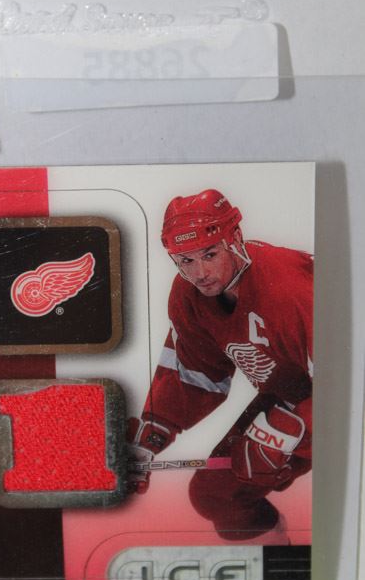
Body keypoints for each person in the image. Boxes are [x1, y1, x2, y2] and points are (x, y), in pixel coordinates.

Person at [128, 188, 313, 546]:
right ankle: (286, 579)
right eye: (185, 260)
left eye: (210, 255)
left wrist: (289, 430)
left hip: (336, 407)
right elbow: (194, 372)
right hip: (291, 396)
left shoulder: (290, 289)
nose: (200, 273)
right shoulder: (189, 297)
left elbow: (347, 382)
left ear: (235, 238)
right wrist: (147, 442)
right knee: (217, 494)